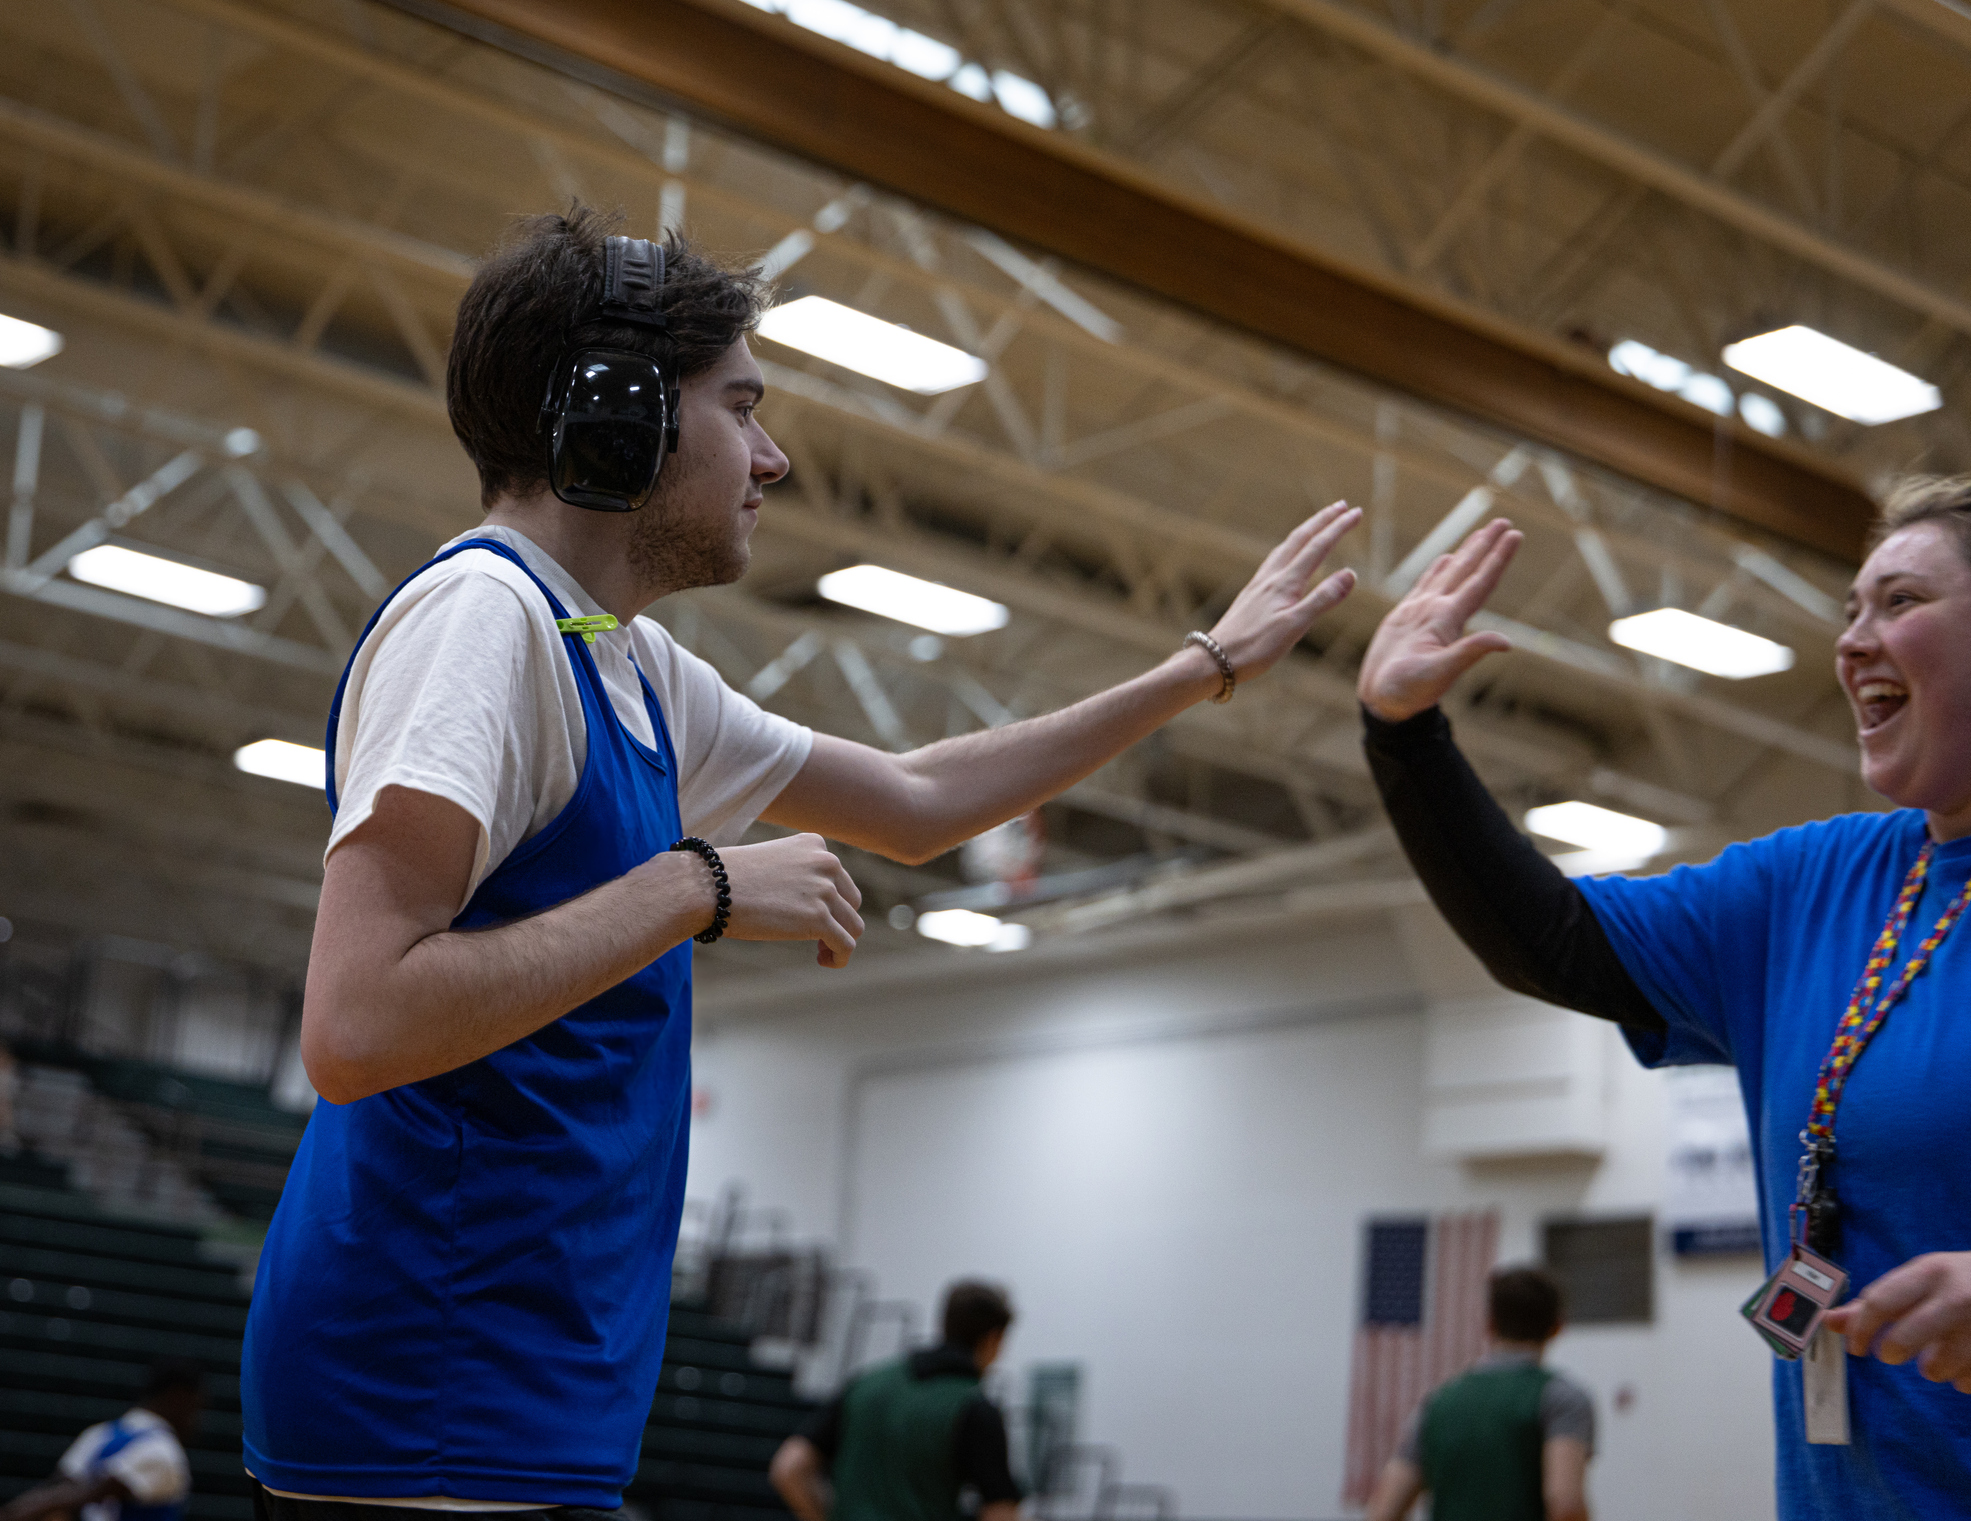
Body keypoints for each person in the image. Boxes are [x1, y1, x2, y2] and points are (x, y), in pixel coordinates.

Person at [240, 205, 1363, 1515]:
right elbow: (357, 1022)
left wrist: (1199, 669)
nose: (770, 458)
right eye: (741, 406)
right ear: (615, 415)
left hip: (505, 1388)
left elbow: (917, 796)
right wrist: (695, 885)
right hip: (422, 1385)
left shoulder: (621, 658)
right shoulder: (482, 623)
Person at [1354, 479, 1971, 1519]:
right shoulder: (1812, 885)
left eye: (1902, 603)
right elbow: (1552, 942)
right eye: (1851, 610)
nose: (1856, 641)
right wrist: (1403, 735)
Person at [769, 1281, 1022, 1521]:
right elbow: (999, 1511)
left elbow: (789, 1468)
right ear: (993, 1339)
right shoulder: (974, 1408)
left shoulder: (866, 1384)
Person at [1363, 1268, 1592, 1521]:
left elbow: (1383, 1512)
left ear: (1490, 1324)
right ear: (1557, 1327)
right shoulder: (1561, 1398)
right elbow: (1565, 1504)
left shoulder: (1439, 1403)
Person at [0, 1359, 203, 1521]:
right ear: (178, 1398)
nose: (196, 1421)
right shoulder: (163, 1451)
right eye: (196, 1408)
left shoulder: (99, 1434)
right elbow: (88, 1493)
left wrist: (15, 1512)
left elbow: (55, 1490)